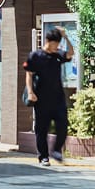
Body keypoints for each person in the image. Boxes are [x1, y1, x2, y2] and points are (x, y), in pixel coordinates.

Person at [24, 26, 71, 165]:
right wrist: (30, 92)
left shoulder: (58, 55)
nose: (57, 46)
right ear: (47, 41)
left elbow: (70, 54)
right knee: (41, 129)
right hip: (41, 99)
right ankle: (43, 156)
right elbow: (29, 75)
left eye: (58, 44)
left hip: (58, 98)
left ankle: (57, 150)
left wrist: (66, 37)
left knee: (63, 125)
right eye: (55, 44)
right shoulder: (35, 56)